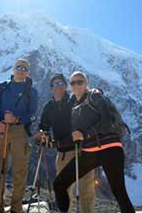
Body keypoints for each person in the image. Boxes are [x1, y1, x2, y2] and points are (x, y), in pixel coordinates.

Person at [53, 71, 135, 213]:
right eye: (73, 83)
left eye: (80, 82)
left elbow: (107, 122)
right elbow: (74, 135)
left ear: (87, 84)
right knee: (59, 184)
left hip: (110, 149)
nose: (76, 85)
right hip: (90, 152)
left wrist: (85, 134)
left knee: (119, 192)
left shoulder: (95, 96)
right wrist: (54, 143)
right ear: (70, 86)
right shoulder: (73, 106)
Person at [35, 73, 95, 213]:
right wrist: (43, 133)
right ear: (51, 88)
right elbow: (43, 124)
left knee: (86, 189)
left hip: (82, 150)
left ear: (65, 86)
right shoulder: (49, 107)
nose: (58, 87)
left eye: (61, 83)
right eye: (55, 84)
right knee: (64, 190)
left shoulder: (74, 100)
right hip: (63, 153)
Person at [0, 59, 38, 213]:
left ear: (28, 72)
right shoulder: (2, 87)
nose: (21, 70)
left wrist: (17, 119)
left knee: (20, 171)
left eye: (24, 68)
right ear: (13, 69)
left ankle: (16, 209)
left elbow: (32, 114)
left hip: (19, 131)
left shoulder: (32, 92)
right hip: (1, 130)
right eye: (18, 67)